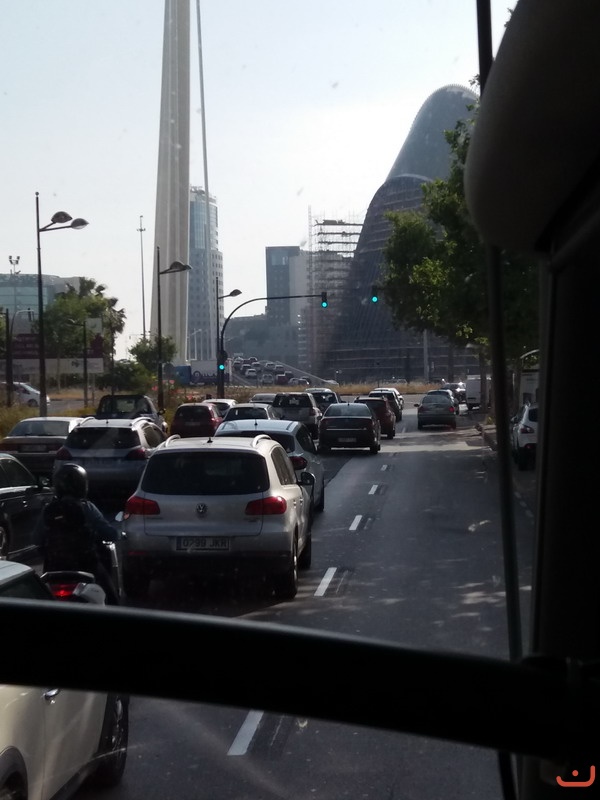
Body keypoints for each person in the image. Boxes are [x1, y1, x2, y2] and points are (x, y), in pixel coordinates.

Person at [39, 463, 121, 605]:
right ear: (83, 485)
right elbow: (110, 534)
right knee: (112, 600)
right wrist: (118, 534)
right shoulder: (87, 508)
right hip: (86, 565)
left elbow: (35, 538)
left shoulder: (49, 509)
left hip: (54, 568)